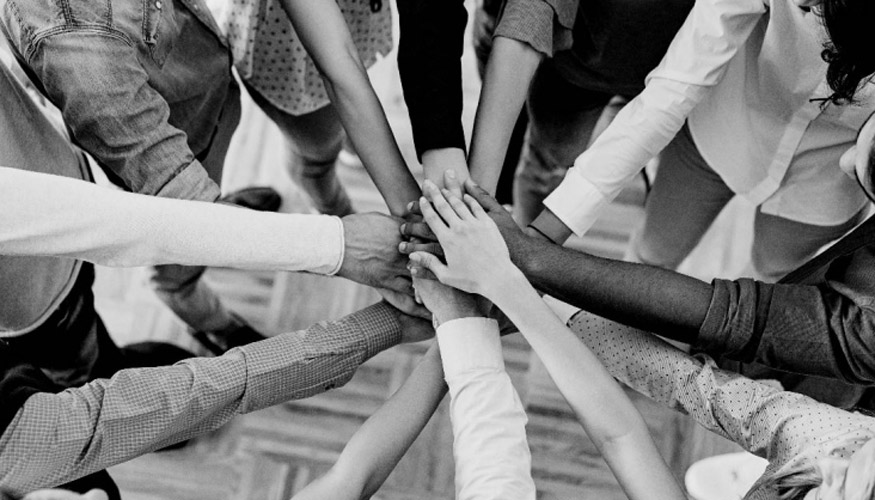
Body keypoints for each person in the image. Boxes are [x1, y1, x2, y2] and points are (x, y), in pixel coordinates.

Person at [409, 181, 875, 500]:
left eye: (847, 489)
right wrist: (520, 290)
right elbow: (676, 398)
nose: (836, 463)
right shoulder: (835, 443)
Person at [404, 106, 875, 408]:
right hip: (725, 134)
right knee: (664, 257)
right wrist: (517, 269)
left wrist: (522, 264)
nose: (846, 162)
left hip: (822, 395)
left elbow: (752, 319)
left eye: (869, 171)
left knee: (772, 291)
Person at [526, 0, 875, 281]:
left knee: (769, 282)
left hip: (827, 183)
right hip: (718, 131)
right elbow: (673, 88)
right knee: (650, 257)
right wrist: (547, 233)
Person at [466, 0, 693, 224]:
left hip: (674, 74)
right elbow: (527, 19)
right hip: (575, 67)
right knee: (547, 166)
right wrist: (477, 196)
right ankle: (524, 240)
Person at [224, 0, 393, 216]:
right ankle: (335, 212)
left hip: (354, 15)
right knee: (316, 160)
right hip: (290, 47)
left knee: (351, 95)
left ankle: (350, 143)